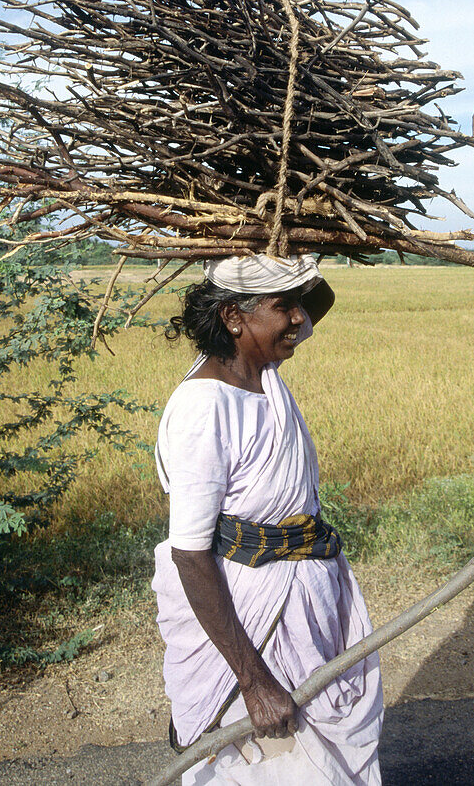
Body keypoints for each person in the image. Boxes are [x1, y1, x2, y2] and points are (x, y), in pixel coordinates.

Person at [152, 254, 383, 784]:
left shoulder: (264, 378)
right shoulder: (204, 407)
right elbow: (189, 553)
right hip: (251, 621)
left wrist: (278, 251)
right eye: (286, 307)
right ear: (235, 318)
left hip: (305, 601)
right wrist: (254, 682)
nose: (301, 320)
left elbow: (310, 310)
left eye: (301, 305)